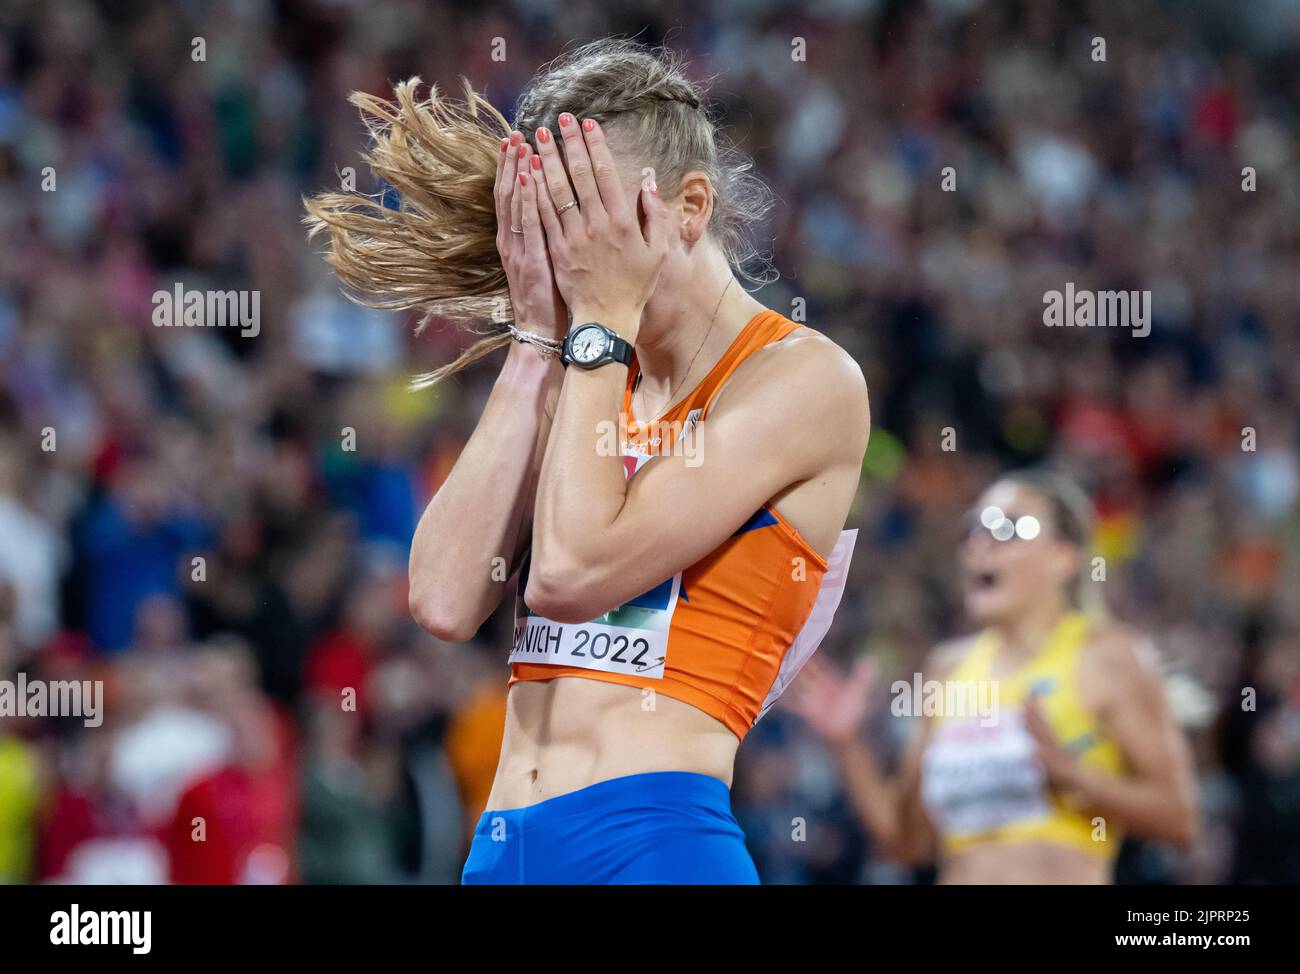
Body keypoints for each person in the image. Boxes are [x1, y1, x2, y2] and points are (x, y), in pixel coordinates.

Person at [307, 38, 869, 883]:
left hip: (654, 844)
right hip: (502, 849)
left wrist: (597, 321)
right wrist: (536, 339)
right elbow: (443, 596)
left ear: (688, 207)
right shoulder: (593, 368)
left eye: (587, 218)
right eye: (548, 226)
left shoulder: (803, 378)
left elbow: (569, 573)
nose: (571, 253)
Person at [789, 471, 1200, 884]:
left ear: (1063, 557)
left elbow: (1180, 819)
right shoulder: (947, 670)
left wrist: (1072, 775)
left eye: (1009, 528)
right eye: (973, 529)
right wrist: (846, 744)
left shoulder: (1109, 659)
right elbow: (906, 842)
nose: (979, 546)